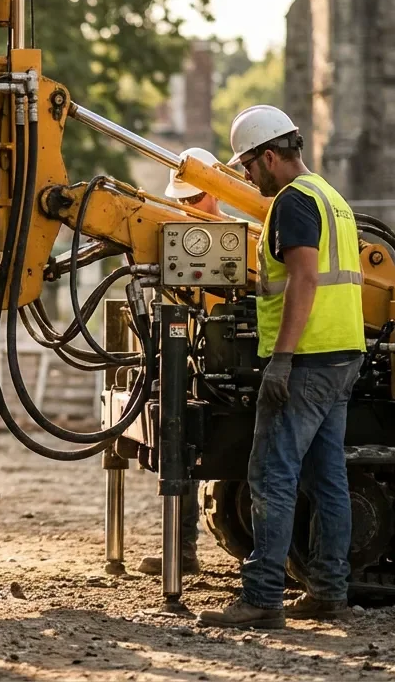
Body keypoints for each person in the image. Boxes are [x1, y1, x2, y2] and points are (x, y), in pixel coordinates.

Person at [199, 106, 366, 629]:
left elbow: (304, 281)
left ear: (270, 156)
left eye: (249, 165)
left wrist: (283, 359)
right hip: (343, 353)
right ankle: (329, 592)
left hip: (307, 359)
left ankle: (263, 597)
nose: (248, 177)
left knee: (271, 473)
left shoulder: (293, 203)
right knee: (327, 478)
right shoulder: (330, 197)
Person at [137, 146, 224, 577]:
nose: (187, 207)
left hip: (229, 368)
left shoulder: (238, 237)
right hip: (188, 362)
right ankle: (183, 550)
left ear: (214, 192)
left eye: (194, 199)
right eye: (182, 201)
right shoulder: (176, 238)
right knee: (180, 454)